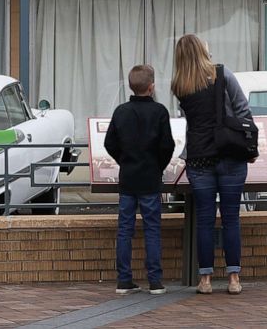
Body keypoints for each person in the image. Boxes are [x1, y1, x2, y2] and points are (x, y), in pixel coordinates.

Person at [171, 34, 253, 295]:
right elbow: (243, 109)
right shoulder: (222, 73)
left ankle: (205, 280)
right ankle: (233, 279)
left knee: (205, 220)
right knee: (231, 219)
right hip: (230, 154)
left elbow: (190, 118)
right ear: (202, 50)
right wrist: (247, 142)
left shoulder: (179, 84)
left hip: (199, 158)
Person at [104, 64, 174, 295]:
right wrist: (158, 166)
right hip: (150, 179)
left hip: (128, 179)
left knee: (125, 229)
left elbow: (109, 143)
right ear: (152, 87)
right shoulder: (160, 112)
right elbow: (167, 146)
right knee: (152, 229)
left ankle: (124, 280)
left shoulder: (121, 111)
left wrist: (124, 160)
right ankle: (155, 280)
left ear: (131, 86)